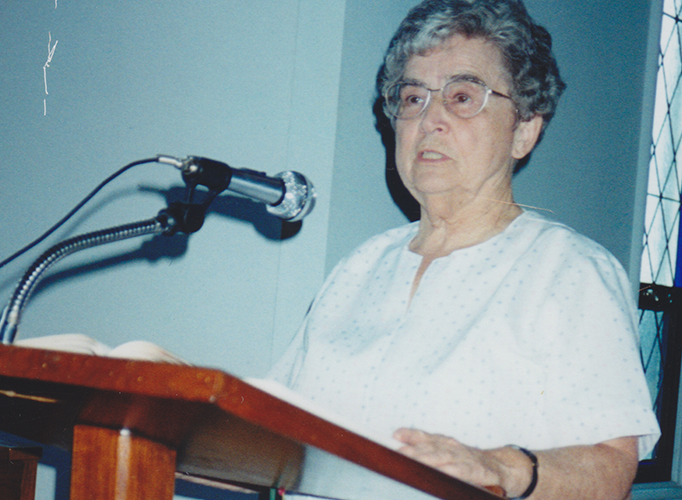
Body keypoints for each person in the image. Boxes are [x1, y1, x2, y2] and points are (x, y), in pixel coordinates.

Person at [267, 0, 661, 499]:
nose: (429, 119)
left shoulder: (569, 272)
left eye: (461, 96)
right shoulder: (358, 268)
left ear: (524, 130)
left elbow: (610, 468)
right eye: (412, 98)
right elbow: (278, 432)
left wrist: (499, 467)